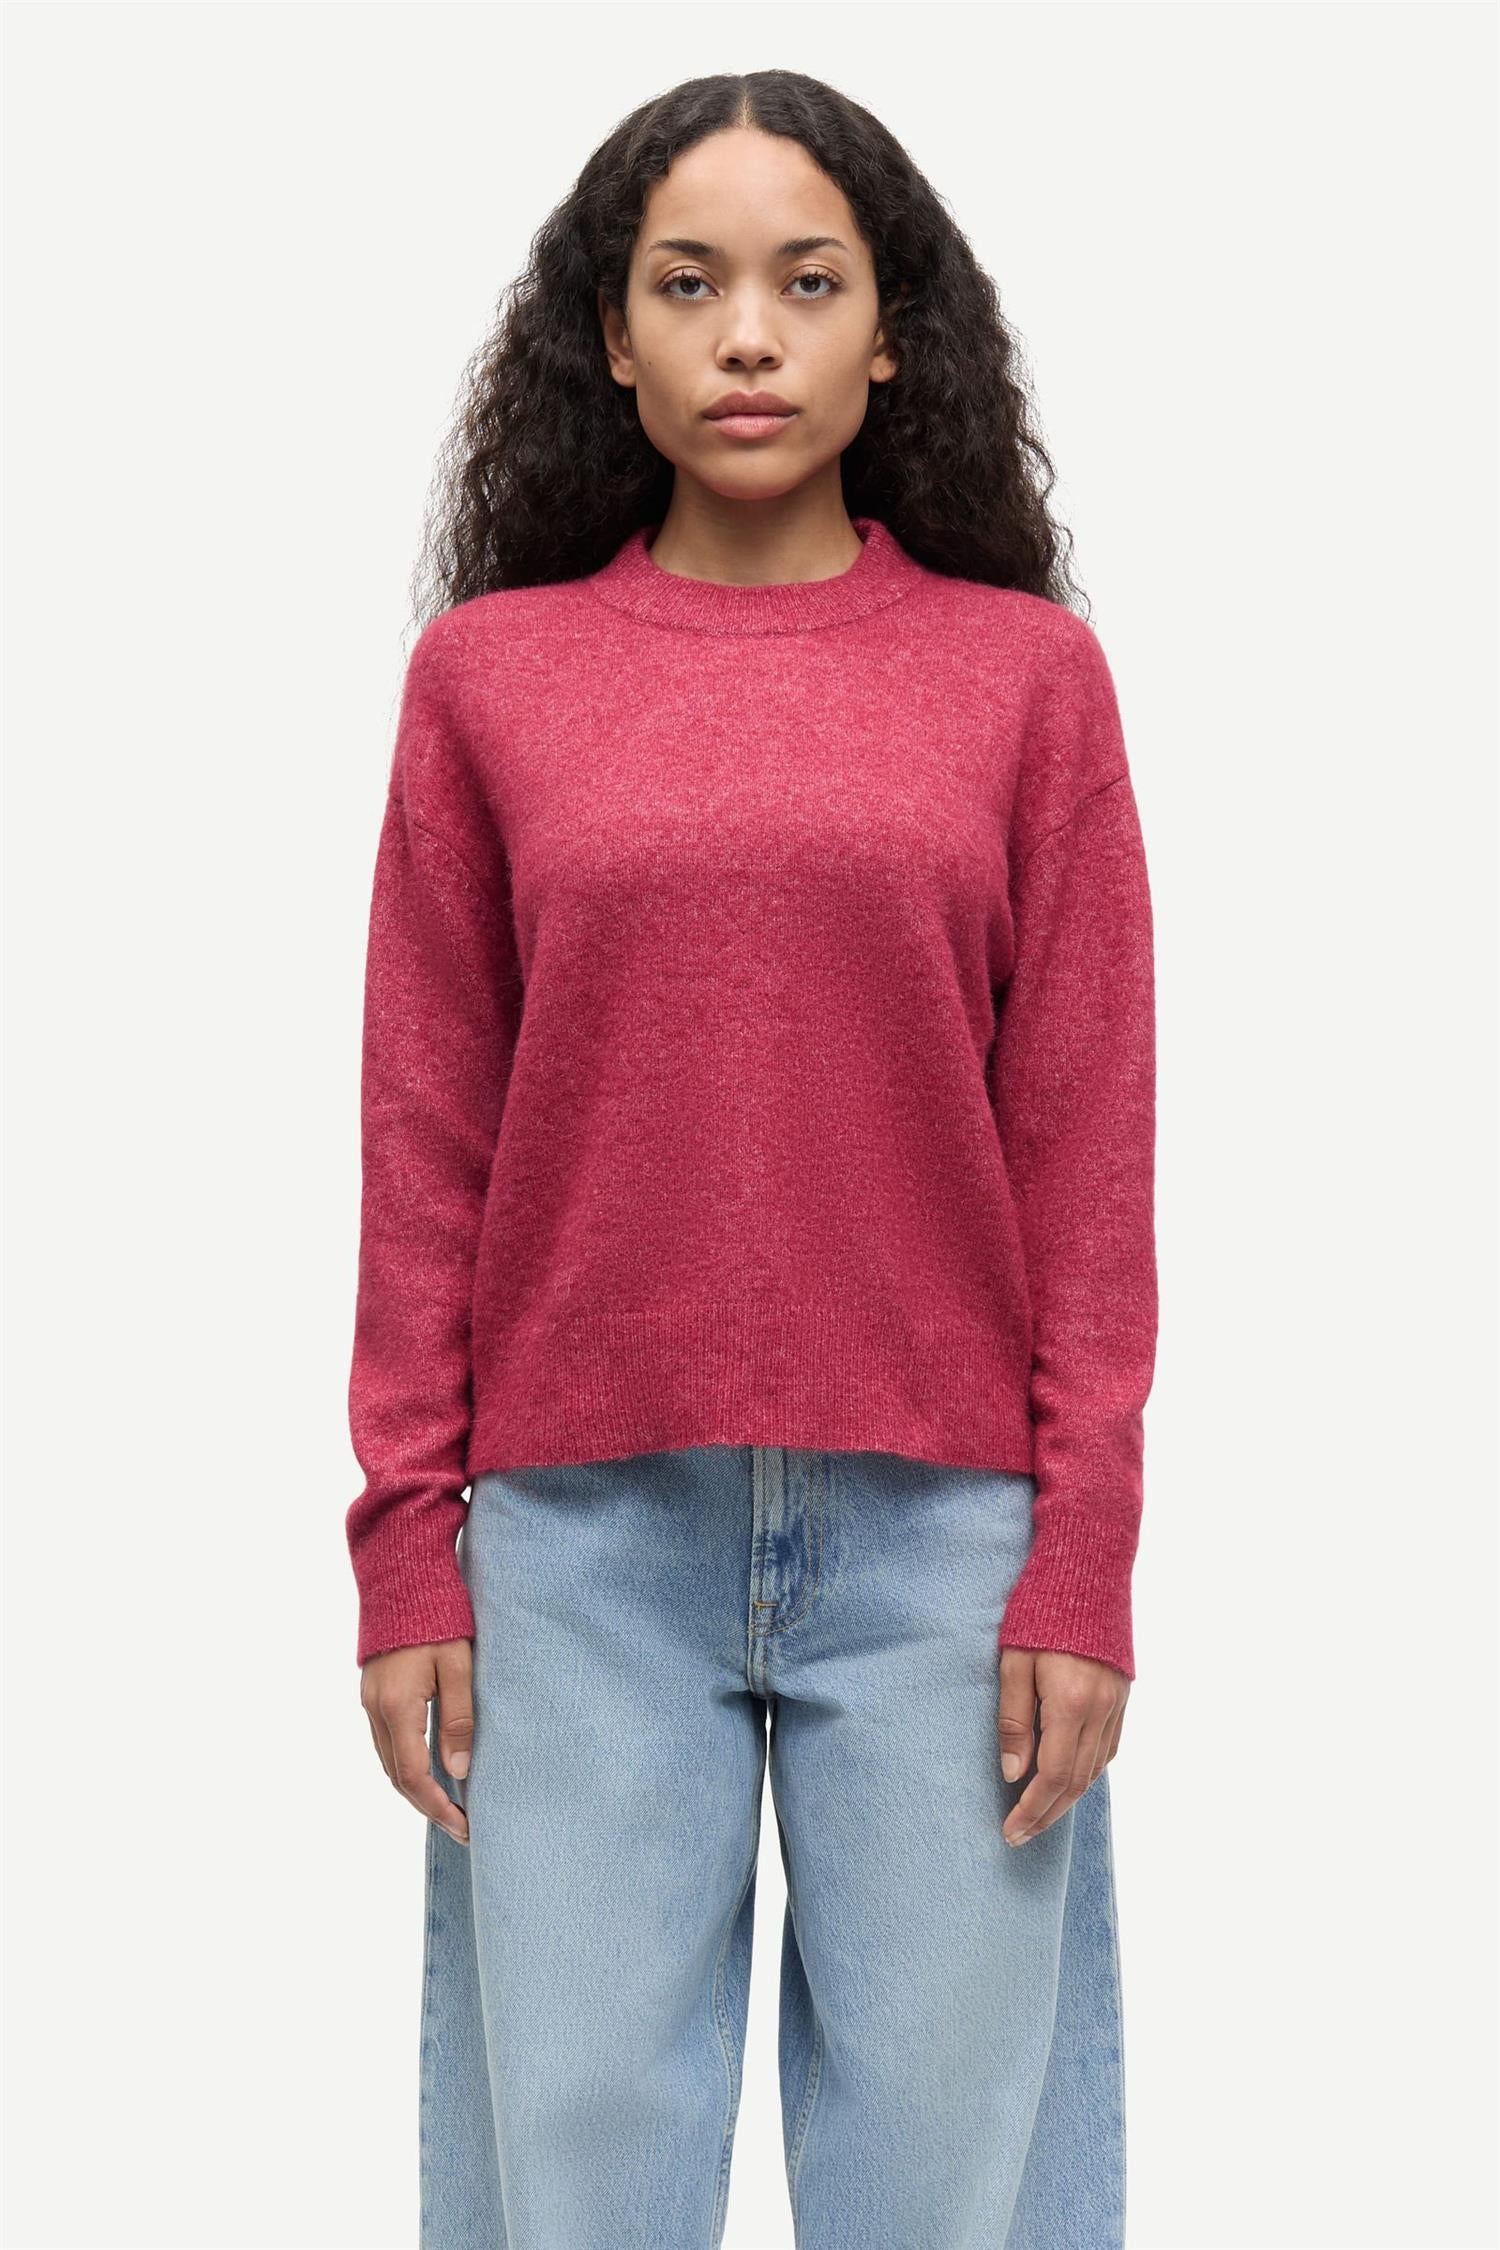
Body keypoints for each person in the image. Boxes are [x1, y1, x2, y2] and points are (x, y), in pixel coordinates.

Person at [346, 68, 1156, 2250]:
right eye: (687, 285)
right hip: (576, 1544)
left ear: (893, 336)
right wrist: (407, 1545)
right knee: (575, 2194)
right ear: (610, 340)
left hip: (946, 1547)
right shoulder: (491, 684)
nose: (748, 337)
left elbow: (1086, 1150)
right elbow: (427, 1136)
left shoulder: (1025, 685)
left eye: (809, 283)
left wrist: (1082, 1551)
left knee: (950, 2196)